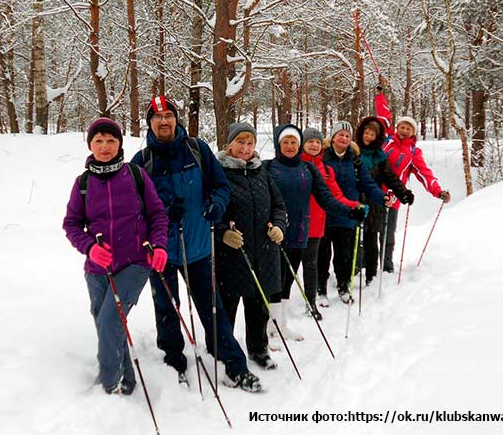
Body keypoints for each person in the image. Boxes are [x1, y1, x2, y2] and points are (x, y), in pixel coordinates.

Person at [130, 96, 261, 393]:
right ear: (150, 122)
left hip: (199, 246)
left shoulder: (197, 150)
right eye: (157, 116)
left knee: (211, 308)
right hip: (161, 251)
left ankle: (234, 365)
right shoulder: (141, 162)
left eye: (168, 115)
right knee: (167, 308)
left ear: (177, 119)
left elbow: (220, 186)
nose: (164, 121)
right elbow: (134, 210)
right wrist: (163, 213)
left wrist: (217, 203)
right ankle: (174, 360)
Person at [63, 117, 169, 395]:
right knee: (105, 321)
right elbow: (71, 224)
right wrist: (89, 247)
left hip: (135, 263)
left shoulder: (135, 175)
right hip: (97, 267)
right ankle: (127, 379)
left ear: (120, 143)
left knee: (110, 320)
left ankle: (108, 383)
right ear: (90, 145)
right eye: (98, 140)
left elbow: (158, 214)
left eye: (111, 140)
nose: (105, 146)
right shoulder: (83, 183)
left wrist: (159, 245)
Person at [266, 124, 365, 340]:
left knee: (287, 280)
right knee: (274, 280)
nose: (290, 146)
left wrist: (350, 211)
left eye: (294, 142)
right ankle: (270, 327)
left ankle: (280, 326)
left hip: (300, 232)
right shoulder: (269, 167)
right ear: (278, 144)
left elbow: (326, 198)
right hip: (275, 233)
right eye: (286, 142)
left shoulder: (308, 169)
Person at [214, 122, 287, 370]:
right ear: (229, 144)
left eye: (250, 143)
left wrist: (279, 226)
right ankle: (224, 351)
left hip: (264, 252)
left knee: (259, 307)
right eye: (240, 142)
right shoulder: (218, 172)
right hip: (233, 255)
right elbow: (210, 212)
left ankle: (258, 349)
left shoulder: (261, 172)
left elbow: (278, 206)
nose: (245, 148)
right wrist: (223, 233)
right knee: (228, 307)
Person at [374, 76, 451, 273]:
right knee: (368, 230)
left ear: (413, 132)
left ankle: (387, 266)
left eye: (409, 128)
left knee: (388, 234)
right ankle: (365, 265)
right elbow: (383, 116)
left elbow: (425, 174)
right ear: (397, 127)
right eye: (402, 126)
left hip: (394, 196)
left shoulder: (414, 153)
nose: (405, 130)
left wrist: (438, 191)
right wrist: (379, 95)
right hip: (374, 191)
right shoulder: (387, 139)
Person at [317, 120, 389, 304]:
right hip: (324, 215)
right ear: (332, 137)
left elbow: (367, 183)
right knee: (322, 255)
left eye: (347, 136)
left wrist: (382, 197)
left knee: (345, 255)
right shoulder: (322, 157)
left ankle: (343, 286)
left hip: (348, 215)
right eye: (340, 134)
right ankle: (321, 289)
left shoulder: (355, 161)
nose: (343, 138)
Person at [300, 127, 360, 315]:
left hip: (319, 223)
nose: (314, 145)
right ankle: (280, 311)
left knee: (315, 262)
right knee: (297, 267)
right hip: (297, 224)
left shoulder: (326, 169)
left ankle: (318, 296)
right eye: (310, 141)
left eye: (317, 142)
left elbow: (335, 195)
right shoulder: (295, 165)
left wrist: (354, 206)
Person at [355, 115, 413, 285]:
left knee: (371, 238)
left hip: (374, 201)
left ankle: (371, 276)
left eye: (372, 135)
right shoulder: (353, 151)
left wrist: (403, 193)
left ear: (377, 138)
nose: (368, 137)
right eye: (366, 133)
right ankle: (353, 270)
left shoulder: (379, 156)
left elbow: (390, 177)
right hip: (353, 200)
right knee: (353, 238)